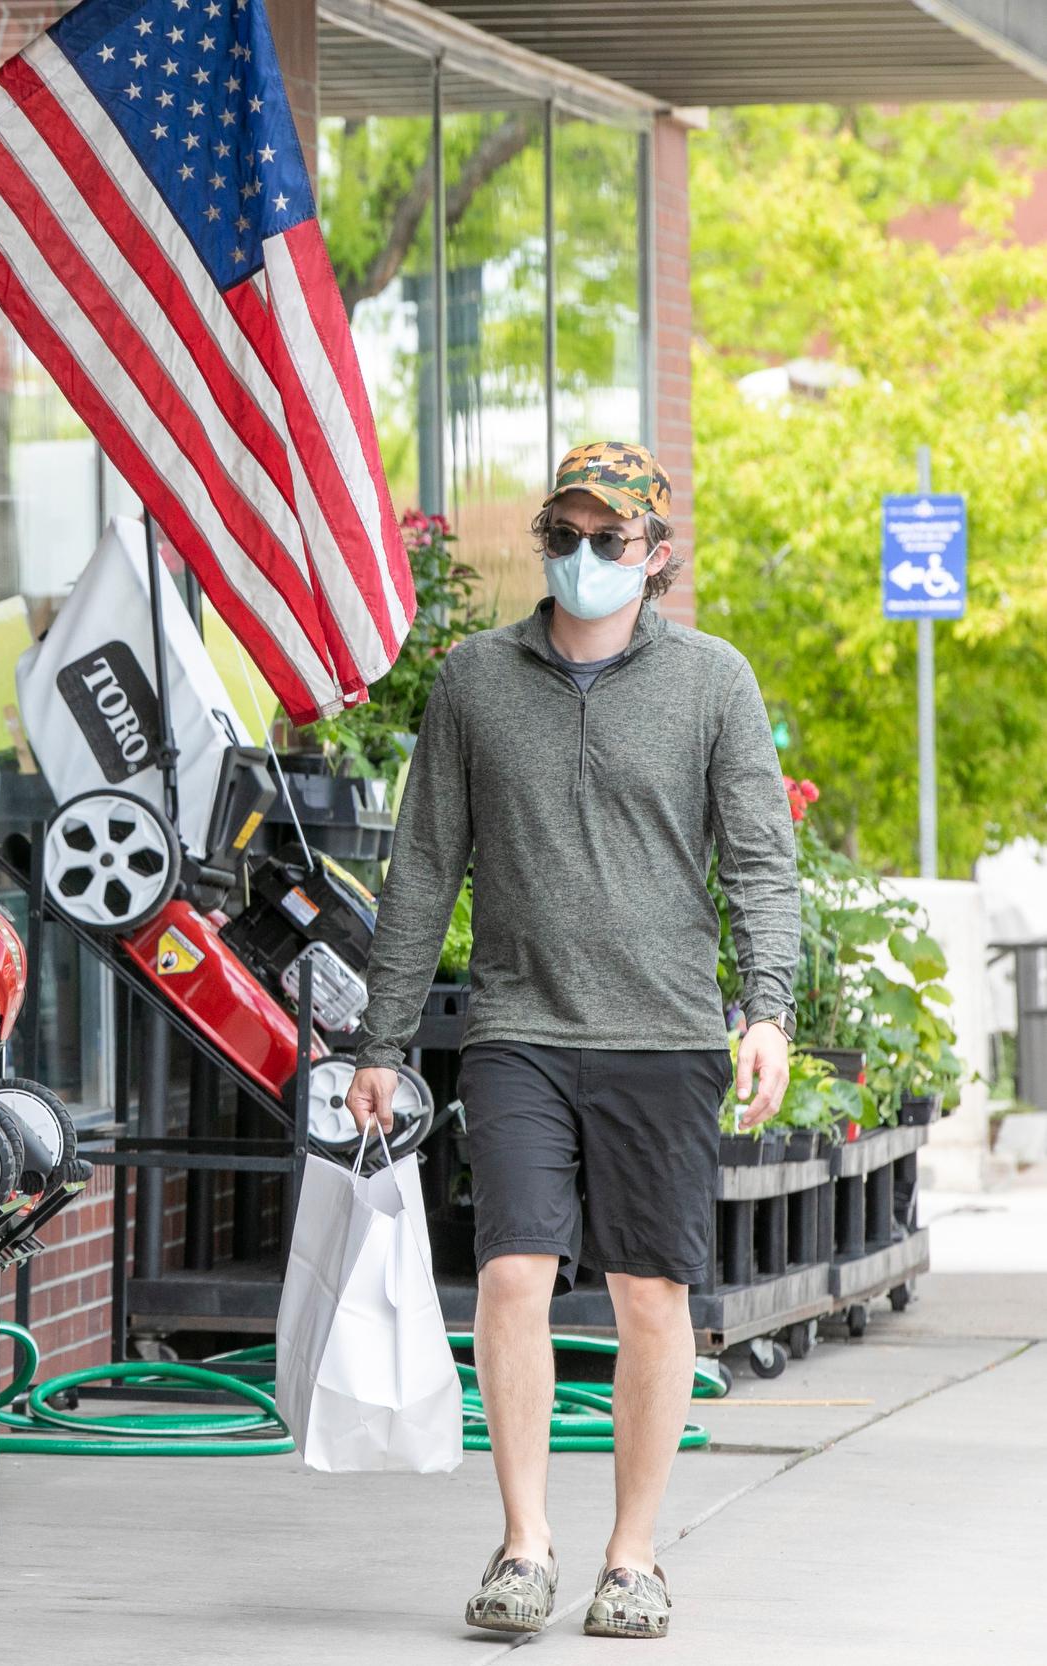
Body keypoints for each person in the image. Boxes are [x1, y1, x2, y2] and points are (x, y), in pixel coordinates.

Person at [346, 442, 800, 1642]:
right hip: (517, 1028)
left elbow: (759, 858)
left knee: (652, 1295)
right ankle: (523, 1544)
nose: (584, 558)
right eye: (565, 535)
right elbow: (422, 870)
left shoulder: (713, 682)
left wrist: (765, 1008)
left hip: (663, 1034)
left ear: (656, 555)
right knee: (512, 1274)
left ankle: (633, 1558)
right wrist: (379, 1040)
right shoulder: (473, 682)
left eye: (610, 540)